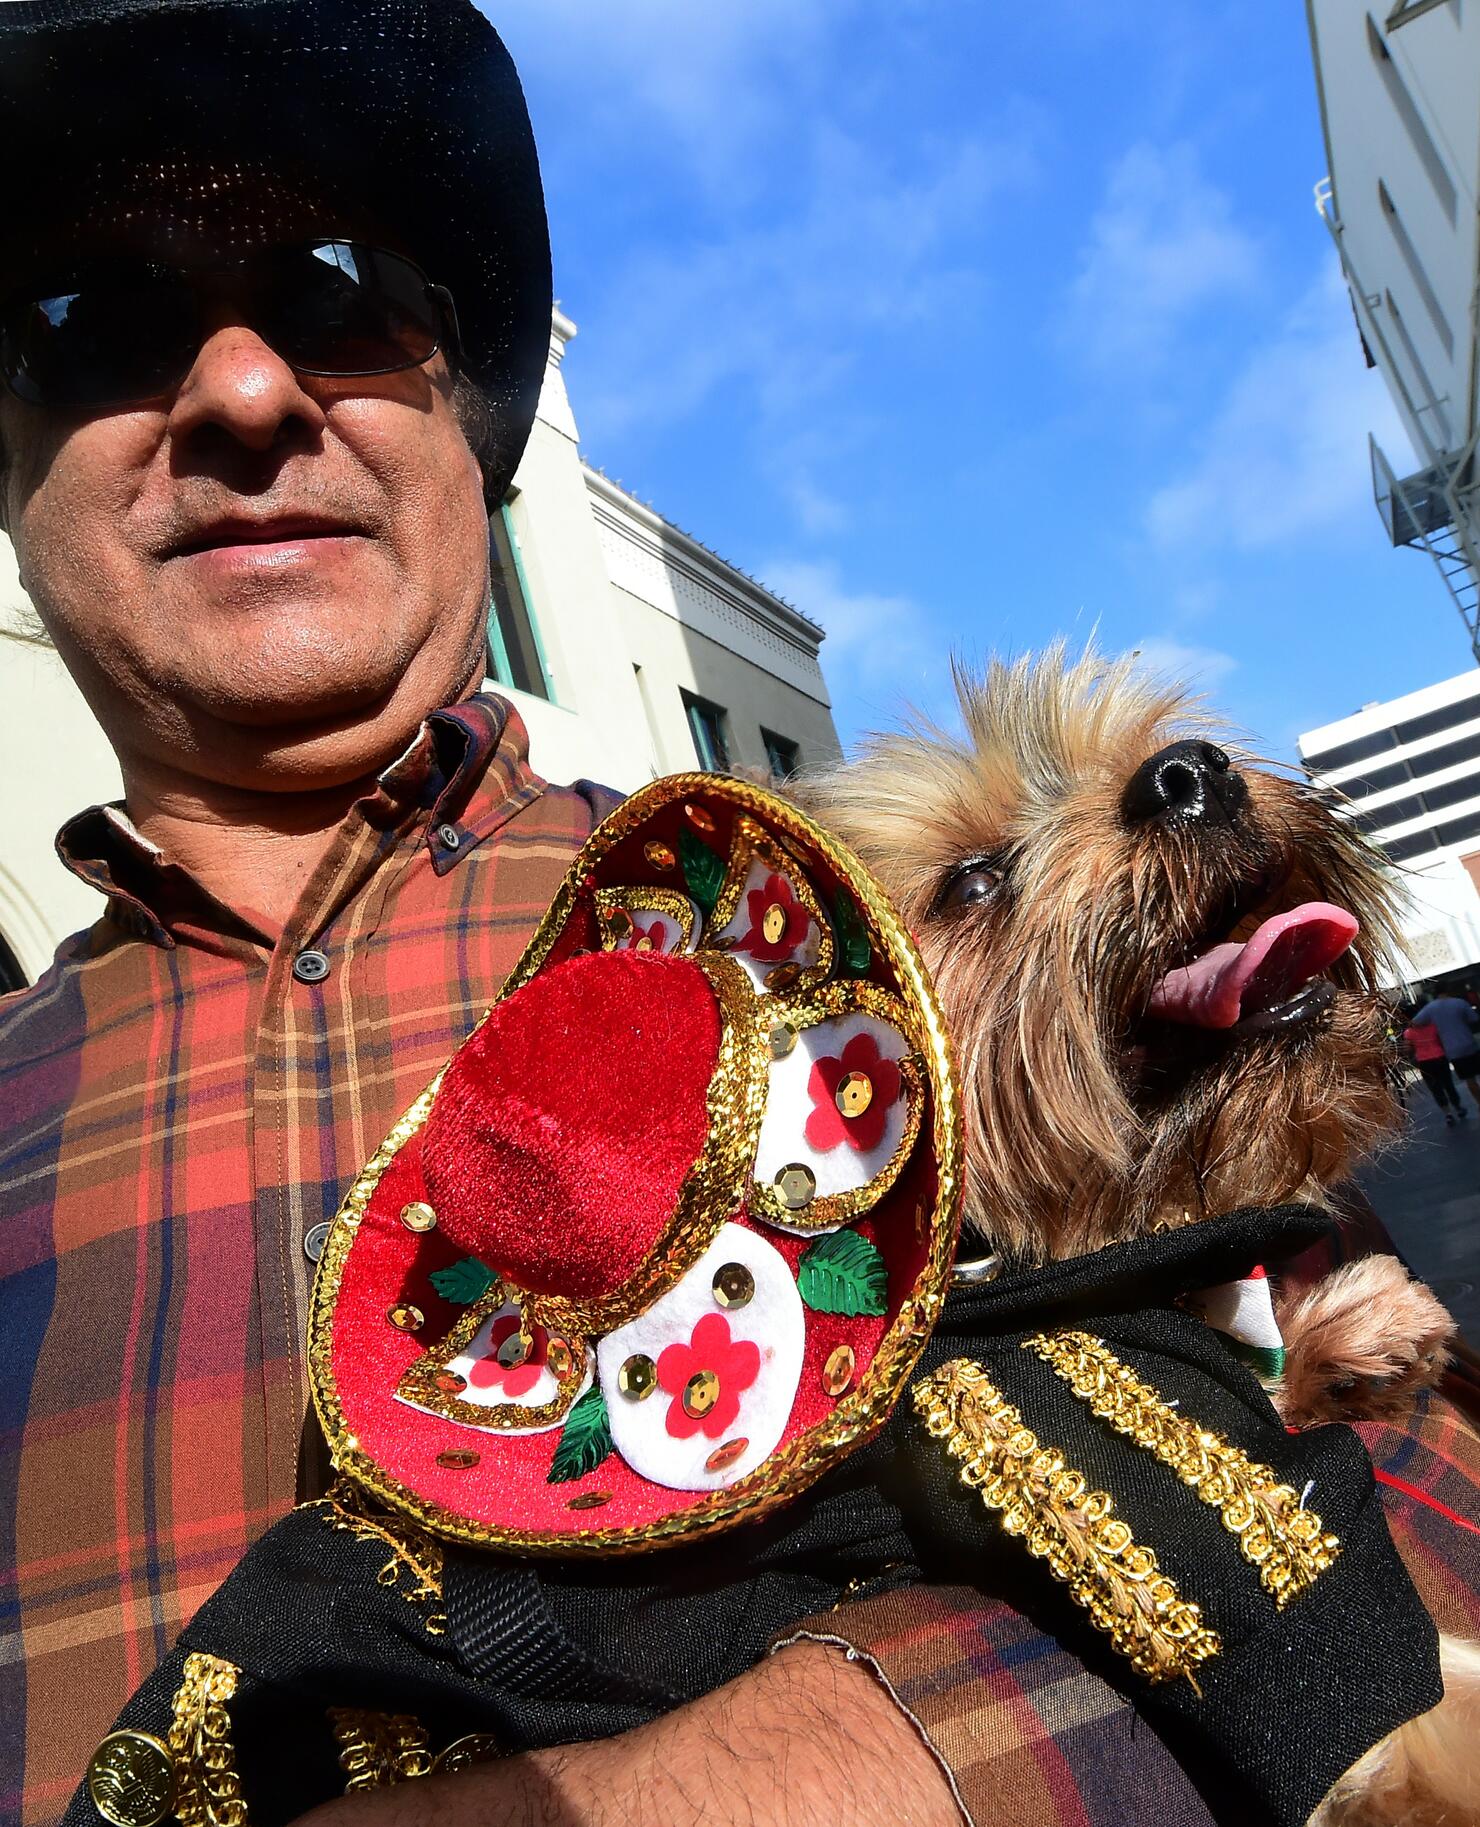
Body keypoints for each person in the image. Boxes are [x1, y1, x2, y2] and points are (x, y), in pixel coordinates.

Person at [1409, 985, 1480, 1114]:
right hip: (1470, 1044)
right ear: (1449, 991)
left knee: (1470, 1079)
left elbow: (1415, 1021)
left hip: (1453, 1050)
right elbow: (1474, 1018)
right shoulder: (1459, 1002)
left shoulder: (1431, 1008)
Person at [1403, 1005, 1468, 1126]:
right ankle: (1458, 1107)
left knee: (1436, 1088)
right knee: (1448, 1084)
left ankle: (1447, 1114)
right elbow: (1442, 1040)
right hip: (1440, 1058)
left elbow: (1407, 1049)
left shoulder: (1409, 1032)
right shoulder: (1433, 1026)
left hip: (1425, 1062)